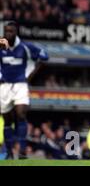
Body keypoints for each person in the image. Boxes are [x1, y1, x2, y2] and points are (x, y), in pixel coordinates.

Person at [0, 21, 49, 159]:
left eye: (11, 31)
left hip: (20, 85)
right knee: (7, 120)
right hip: (4, 86)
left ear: (16, 33)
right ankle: (9, 152)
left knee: (21, 114)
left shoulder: (26, 47)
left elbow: (44, 56)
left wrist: (30, 75)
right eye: (6, 31)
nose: (8, 34)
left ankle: (22, 151)